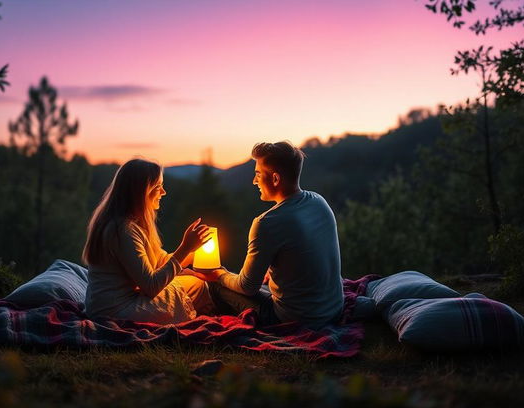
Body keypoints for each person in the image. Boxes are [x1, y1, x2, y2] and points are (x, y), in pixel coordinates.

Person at [197, 141, 344, 329]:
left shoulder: (267, 222)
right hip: (333, 310)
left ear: (275, 179)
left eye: (258, 174)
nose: (254, 180)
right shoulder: (318, 201)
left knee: (216, 285)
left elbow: (247, 287)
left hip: (297, 319)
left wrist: (218, 274)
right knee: (250, 281)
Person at [82, 158, 216, 324]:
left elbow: (161, 262)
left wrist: (195, 252)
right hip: (114, 310)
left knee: (196, 283)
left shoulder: (131, 225)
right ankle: (205, 324)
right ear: (141, 193)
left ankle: (204, 319)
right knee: (187, 290)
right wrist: (185, 247)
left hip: (120, 301)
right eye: (158, 187)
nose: (163, 192)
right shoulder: (122, 230)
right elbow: (151, 286)